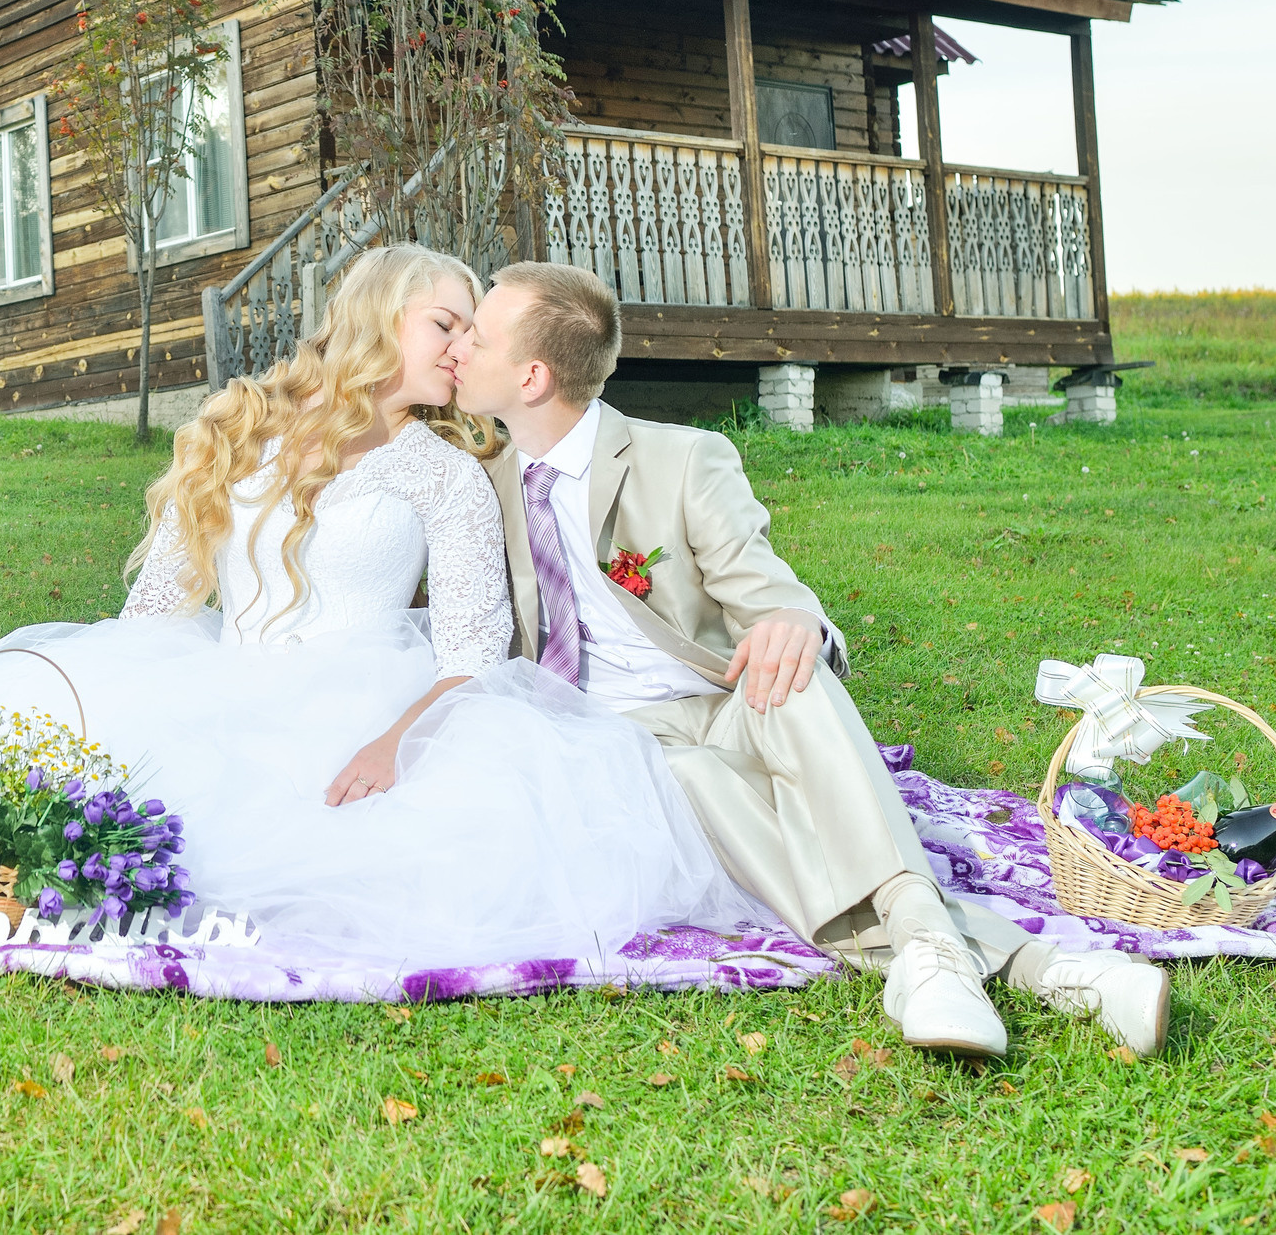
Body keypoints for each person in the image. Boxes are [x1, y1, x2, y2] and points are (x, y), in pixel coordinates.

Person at [0, 245, 763, 968]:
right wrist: (124, 700)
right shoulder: (238, 429)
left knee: (354, 854)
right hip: (221, 676)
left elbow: (472, 655)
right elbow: (158, 604)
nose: (464, 346)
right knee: (63, 785)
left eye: (473, 331)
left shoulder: (445, 473)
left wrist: (393, 744)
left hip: (364, 702)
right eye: (447, 322)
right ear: (380, 317)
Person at [432, 260, 1170, 1057]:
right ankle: (1045, 969)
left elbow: (767, 588)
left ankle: (929, 948)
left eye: (478, 336)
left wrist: (796, 621)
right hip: (614, 736)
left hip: (723, 701)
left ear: (532, 377)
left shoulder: (682, 459)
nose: (459, 347)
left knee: (793, 672)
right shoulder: (478, 487)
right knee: (691, 776)